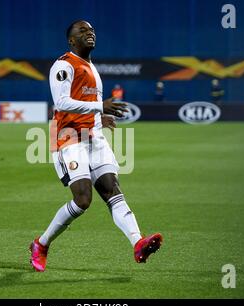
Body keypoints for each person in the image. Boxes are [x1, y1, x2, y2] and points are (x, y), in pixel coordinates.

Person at [29, 20, 163, 272]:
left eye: (91, 30)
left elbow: (89, 100)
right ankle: (41, 244)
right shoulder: (63, 64)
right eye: (82, 31)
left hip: (93, 135)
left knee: (112, 190)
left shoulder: (91, 67)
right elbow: (62, 102)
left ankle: (138, 243)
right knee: (82, 200)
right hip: (68, 136)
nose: (89, 33)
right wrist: (99, 107)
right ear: (71, 40)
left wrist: (100, 116)